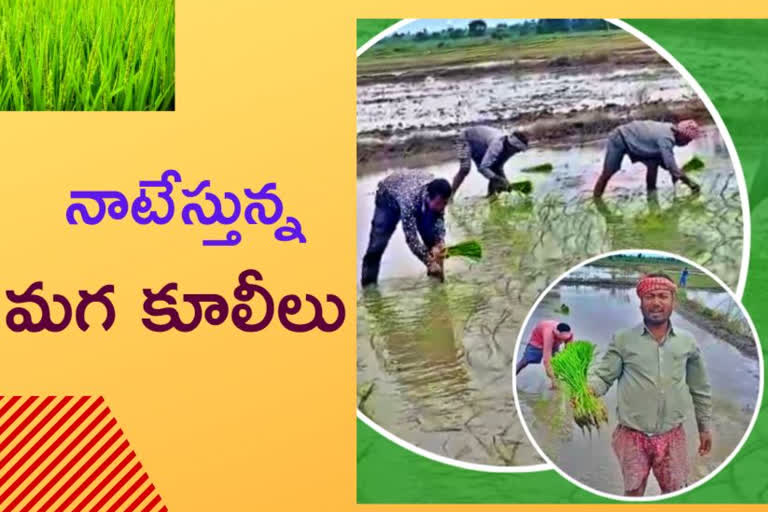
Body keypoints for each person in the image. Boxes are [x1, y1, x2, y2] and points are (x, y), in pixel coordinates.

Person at [587, 273, 713, 497]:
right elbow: (604, 376)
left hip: (673, 437)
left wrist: (705, 427)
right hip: (632, 437)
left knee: (674, 491)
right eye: (649, 296)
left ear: (673, 301)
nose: (656, 302)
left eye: (663, 296)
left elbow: (700, 388)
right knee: (633, 492)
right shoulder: (623, 339)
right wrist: (588, 391)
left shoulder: (687, 342)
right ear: (641, 303)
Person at [361, 170, 451, 287]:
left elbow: (439, 222)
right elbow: (411, 239)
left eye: (445, 203)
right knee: (376, 247)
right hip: (388, 197)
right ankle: (369, 289)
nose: (442, 207)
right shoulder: (410, 201)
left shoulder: (439, 197)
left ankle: (438, 286)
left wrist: (440, 242)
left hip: (413, 186)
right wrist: (428, 261)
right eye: (439, 203)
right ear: (428, 197)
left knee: (434, 245)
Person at [593, 120, 702, 198]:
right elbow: (670, 165)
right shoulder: (666, 139)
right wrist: (691, 184)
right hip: (620, 138)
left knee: (653, 164)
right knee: (608, 172)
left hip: (639, 141)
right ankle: (597, 199)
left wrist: (676, 174)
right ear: (680, 135)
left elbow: (666, 163)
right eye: (687, 140)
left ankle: (651, 198)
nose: (687, 143)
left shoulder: (669, 131)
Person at [452, 125, 529, 197]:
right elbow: (482, 168)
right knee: (465, 169)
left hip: (480, 146)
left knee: (494, 171)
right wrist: (499, 179)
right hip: (465, 139)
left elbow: (498, 167)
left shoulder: (509, 149)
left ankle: (491, 197)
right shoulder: (498, 145)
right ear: (512, 146)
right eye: (518, 150)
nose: (518, 152)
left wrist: (506, 182)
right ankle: (450, 196)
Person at [516, 320, 574, 389]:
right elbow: (547, 359)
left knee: (556, 363)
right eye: (560, 339)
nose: (562, 341)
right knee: (526, 361)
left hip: (555, 344)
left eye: (563, 340)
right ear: (557, 333)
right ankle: (513, 373)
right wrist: (551, 374)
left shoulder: (570, 334)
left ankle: (554, 386)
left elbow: (569, 351)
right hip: (537, 341)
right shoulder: (548, 332)